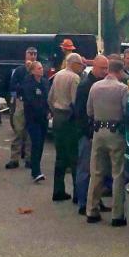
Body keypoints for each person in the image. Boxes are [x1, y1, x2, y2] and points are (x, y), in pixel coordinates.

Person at [86, 58, 129, 226]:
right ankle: (117, 214)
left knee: (96, 171)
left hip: (98, 131)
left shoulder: (95, 86)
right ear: (119, 72)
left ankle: (92, 210)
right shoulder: (122, 88)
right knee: (117, 173)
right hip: (116, 132)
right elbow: (127, 111)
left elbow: (89, 110)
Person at [74, 55, 109, 215]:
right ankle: (82, 202)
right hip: (88, 134)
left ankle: (95, 200)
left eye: (107, 68)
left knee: (98, 170)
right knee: (85, 169)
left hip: (98, 133)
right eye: (102, 68)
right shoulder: (85, 86)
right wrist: (88, 133)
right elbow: (80, 113)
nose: (105, 71)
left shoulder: (99, 85)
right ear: (94, 67)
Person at [48, 52, 84, 200]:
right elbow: (76, 101)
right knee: (74, 157)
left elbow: (50, 97)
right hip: (69, 118)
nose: (82, 67)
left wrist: (54, 110)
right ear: (74, 63)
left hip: (58, 116)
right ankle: (77, 193)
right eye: (80, 64)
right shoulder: (74, 78)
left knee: (60, 156)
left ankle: (58, 190)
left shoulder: (58, 75)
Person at [6, 47, 37, 169]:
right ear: (25, 55)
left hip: (33, 104)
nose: (32, 56)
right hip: (21, 102)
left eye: (34, 54)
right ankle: (14, 158)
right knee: (18, 131)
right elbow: (13, 86)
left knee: (30, 133)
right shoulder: (19, 70)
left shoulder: (38, 70)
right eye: (30, 54)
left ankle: (29, 158)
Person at [21, 61, 50, 183]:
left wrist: (49, 111)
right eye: (38, 68)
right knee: (36, 143)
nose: (41, 70)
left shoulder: (45, 82)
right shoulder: (28, 83)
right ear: (32, 71)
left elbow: (48, 98)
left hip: (44, 118)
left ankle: (36, 167)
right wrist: (42, 111)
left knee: (41, 144)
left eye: (41, 68)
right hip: (33, 119)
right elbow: (30, 101)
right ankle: (36, 171)